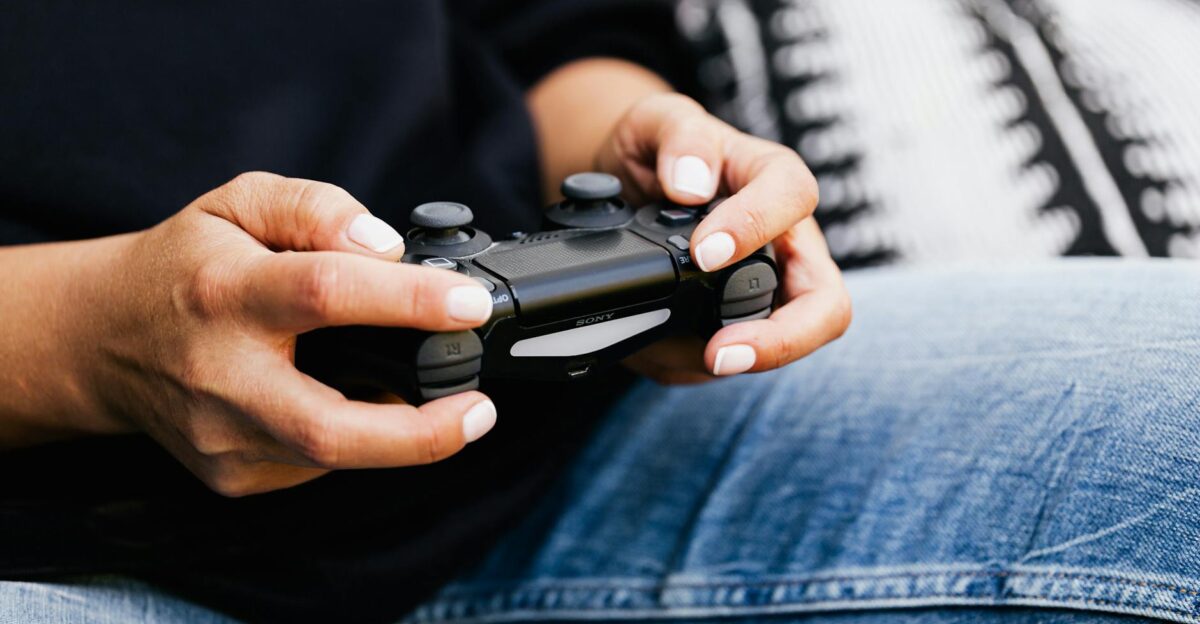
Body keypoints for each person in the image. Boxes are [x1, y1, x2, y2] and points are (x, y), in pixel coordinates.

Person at [1, 2, 1196, 623]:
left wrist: (651, 173)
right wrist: (80, 346)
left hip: (585, 453)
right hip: (63, 544)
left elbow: (549, 30)